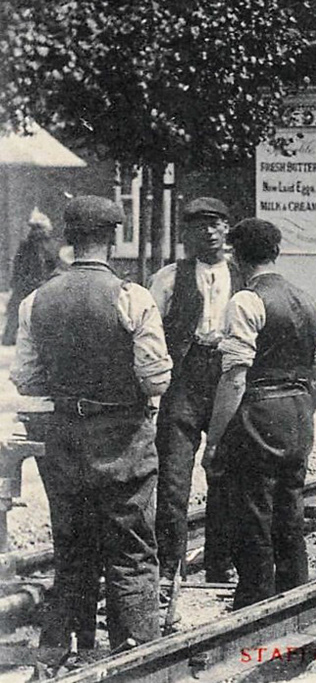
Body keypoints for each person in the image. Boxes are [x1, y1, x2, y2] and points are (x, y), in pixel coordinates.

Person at [10, 196, 171, 654]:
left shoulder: (36, 300)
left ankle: (65, 648)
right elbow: (155, 376)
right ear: (114, 238)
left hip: (64, 440)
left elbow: (26, 377)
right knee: (132, 548)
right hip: (123, 436)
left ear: (68, 238)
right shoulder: (132, 297)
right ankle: (137, 649)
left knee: (73, 547)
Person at [201, 218, 316, 609]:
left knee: (252, 508)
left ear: (236, 256)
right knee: (290, 506)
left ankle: (254, 598)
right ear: (277, 252)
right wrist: (302, 414)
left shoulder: (245, 301)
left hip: (257, 413)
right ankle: (294, 591)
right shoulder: (311, 301)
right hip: (299, 412)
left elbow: (235, 380)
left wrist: (215, 438)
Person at [148, 197, 242, 598]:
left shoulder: (244, 275)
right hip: (184, 382)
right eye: (198, 226)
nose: (208, 232)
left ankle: (219, 562)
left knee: (226, 474)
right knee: (173, 481)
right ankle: (169, 567)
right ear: (185, 233)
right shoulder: (169, 277)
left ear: (226, 228)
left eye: (215, 224)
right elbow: (150, 332)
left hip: (229, 378)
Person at [2, 209, 60, 345]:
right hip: (29, 283)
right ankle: (10, 337)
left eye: (39, 229)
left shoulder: (44, 246)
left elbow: (51, 264)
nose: (37, 232)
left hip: (35, 283)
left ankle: (15, 337)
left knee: (21, 310)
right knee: (17, 310)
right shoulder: (29, 246)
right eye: (35, 229)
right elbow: (19, 265)